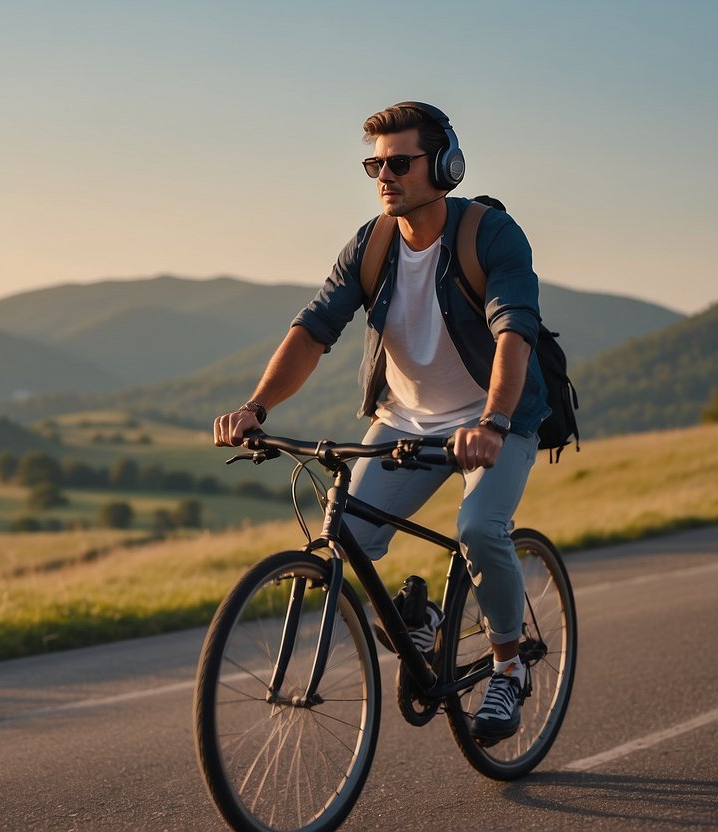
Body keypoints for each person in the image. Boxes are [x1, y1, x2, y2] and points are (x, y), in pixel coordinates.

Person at [212, 101, 549, 743]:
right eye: (374, 164)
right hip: (404, 421)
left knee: (480, 528)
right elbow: (314, 330)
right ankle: (414, 623)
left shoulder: (492, 236)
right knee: (347, 543)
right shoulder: (371, 244)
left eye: (399, 162)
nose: (383, 176)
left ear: (445, 165)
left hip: (493, 419)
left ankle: (508, 666)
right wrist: (257, 408)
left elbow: (513, 333)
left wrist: (495, 421)